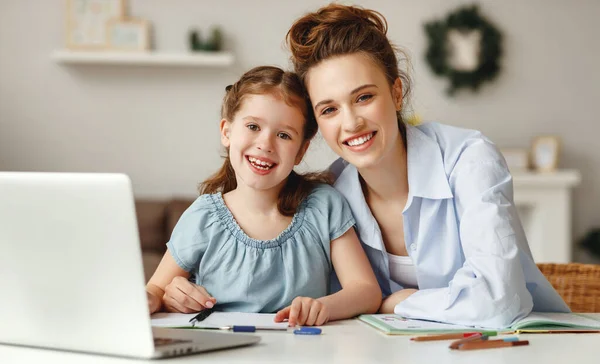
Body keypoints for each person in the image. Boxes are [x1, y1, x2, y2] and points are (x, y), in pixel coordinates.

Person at [286, 4, 570, 329]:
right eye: (329, 110)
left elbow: (498, 301)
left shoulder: (469, 159)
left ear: (396, 93)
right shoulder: (331, 192)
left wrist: (401, 302)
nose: (351, 123)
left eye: (364, 97)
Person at [145, 66, 381, 327]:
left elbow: (366, 291)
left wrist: (324, 306)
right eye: (253, 126)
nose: (265, 144)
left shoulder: (324, 206)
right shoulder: (203, 216)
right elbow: (155, 290)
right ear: (226, 131)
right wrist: (166, 298)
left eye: (283, 135)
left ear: (301, 151)